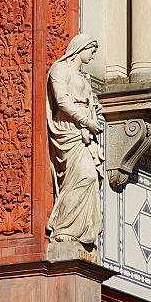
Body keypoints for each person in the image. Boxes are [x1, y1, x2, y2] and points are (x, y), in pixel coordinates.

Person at [46, 35, 104, 247]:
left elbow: (88, 102)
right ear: (81, 48)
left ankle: (80, 230)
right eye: (92, 49)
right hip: (68, 130)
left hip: (83, 132)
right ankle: (64, 228)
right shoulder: (60, 69)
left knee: (90, 178)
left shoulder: (83, 77)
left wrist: (94, 111)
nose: (94, 54)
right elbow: (61, 100)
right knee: (83, 176)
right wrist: (86, 120)